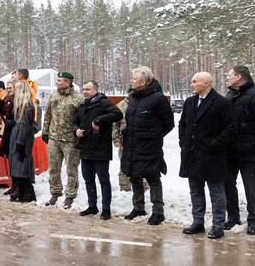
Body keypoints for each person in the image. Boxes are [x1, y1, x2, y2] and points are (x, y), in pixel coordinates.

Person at [179, 72, 236, 239]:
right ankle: (198, 222)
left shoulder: (222, 103)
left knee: (216, 192)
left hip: (213, 156)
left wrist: (214, 144)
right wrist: (184, 142)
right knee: (195, 191)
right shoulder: (189, 102)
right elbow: (183, 125)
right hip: (192, 154)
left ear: (207, 83)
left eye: (195, 81)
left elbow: (231, 128)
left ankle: (218, 225)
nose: (192, 84)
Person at [120, 66, 174, 225]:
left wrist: (154, 136)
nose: (132, 81)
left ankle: (158, 211)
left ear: (143, 82)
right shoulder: (133, 97)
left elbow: (169, 123)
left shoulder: (158, 98)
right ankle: (138, 207)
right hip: (131, 144)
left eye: (134, 79)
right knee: (134, 175)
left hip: (149, 146)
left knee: (152, 176)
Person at [224, 65, 255, 235]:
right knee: (228, 184)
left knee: (251, 188)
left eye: (230, 75)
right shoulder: (230, 94)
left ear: (238, 76)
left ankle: (253, 221)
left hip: (250, 151)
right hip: (230, 151)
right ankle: (233, 217)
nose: (227, 77)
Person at [72, 80, 123, 220]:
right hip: (85, 148)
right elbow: (74, 122)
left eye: (88, 89)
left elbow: (118, 114)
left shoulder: (103, 102)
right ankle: (92, 206)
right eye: (83, 89)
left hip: (100, 149)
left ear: (95, 90)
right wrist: (76, 130)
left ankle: (106, 209)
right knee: (88, 180)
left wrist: (99, 119)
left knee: (103, 180)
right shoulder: (82, 105)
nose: (84, 92)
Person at [41, 71, 84, 209]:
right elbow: (47, 115)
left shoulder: (78, 98)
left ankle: (70, 195)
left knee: (71, 169)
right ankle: (55, 193)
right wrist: (45, 131)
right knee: (53, 168)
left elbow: (82, 119)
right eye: (57, 80)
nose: (57, 82)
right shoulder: (53, 96)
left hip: (70, 140)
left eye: (60, 80)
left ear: (68, 82)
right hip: (54, 138)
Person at [8, 79, 38, 202]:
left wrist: (20, 143)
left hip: (22, 139)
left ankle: (28, 193)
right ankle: (23, 192)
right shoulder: (21, 105)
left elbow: (25, 126)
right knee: (18, 165)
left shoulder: (27, 105)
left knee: (22, 165)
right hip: (18, 137)